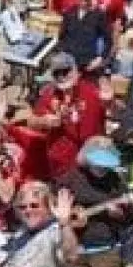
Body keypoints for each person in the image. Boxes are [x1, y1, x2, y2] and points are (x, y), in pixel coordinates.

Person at [58, 136, 133, 267]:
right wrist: (66, 214)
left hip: (105, 249)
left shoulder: (116, 182)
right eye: (97, 163)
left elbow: (131, 217)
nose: (101, 169)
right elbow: (55, 205)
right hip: (74, 248)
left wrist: (120, 215)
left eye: (105, 164)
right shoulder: (71, 179)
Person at [26, 51, 106, 181]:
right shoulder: (49, 95)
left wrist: (111, 101)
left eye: (66, 71)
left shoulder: (92, 90)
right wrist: (45, 121)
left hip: (92, 161)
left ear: (75, 70)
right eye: (57, 73)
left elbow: (114, 108)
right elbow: (31, 122)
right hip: (63, 166)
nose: (62, 76)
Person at [58, 0, 112, 73]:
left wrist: (100, 59)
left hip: (88, 65)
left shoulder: (99, 15)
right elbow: (62, 37)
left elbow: (108, 40)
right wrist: (63, 54)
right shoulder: (69, 13)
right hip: (68, 64)